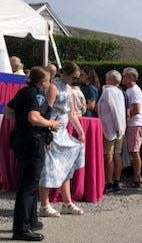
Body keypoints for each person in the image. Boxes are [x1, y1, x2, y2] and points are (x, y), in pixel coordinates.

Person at [5, 67, 60, 242]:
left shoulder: (23, 92)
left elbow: (7, 110)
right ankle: (21, 229)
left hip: (22, 141)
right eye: (48, 80)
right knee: (28, 187)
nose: (49, 84)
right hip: (33, 142)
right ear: (42, 82)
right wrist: (50, 123)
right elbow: (34, 117)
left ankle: (31, 220)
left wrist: (21, 125)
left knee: (29, 182)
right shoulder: (37, 95)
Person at [38, 61, 86, 217]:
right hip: (53, 132)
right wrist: (47, 133)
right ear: (64, 73)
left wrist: (80, 132)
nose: (75, 80)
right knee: (49, 167)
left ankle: (67, 202)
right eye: (73, 77)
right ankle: (44, 205)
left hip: (63, 132)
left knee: (66, 167)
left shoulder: (68, 88)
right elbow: (46, 111)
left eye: (76, 78)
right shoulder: (53, 87)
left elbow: (72, 113)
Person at [97, 70, 126, 194]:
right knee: (117, 155)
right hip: (119, 128)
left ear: (110, 79)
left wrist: (117, 127)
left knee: (109, 156)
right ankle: (116, 181)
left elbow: (114, 110)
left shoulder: (108, 91)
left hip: (110, 128)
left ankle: (109, 182)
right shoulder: (119, 92)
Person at [124, 67, 142, 187]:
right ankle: (137, 177)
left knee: (134, 152)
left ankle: (136, 179)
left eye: (124, 76)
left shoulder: (134, 91)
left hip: (134, 124)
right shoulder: (130, 90)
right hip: (134, 124)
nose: (122, 78)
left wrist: (125, 118)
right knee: (133, 151)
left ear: (130, 78)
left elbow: (136, 109)